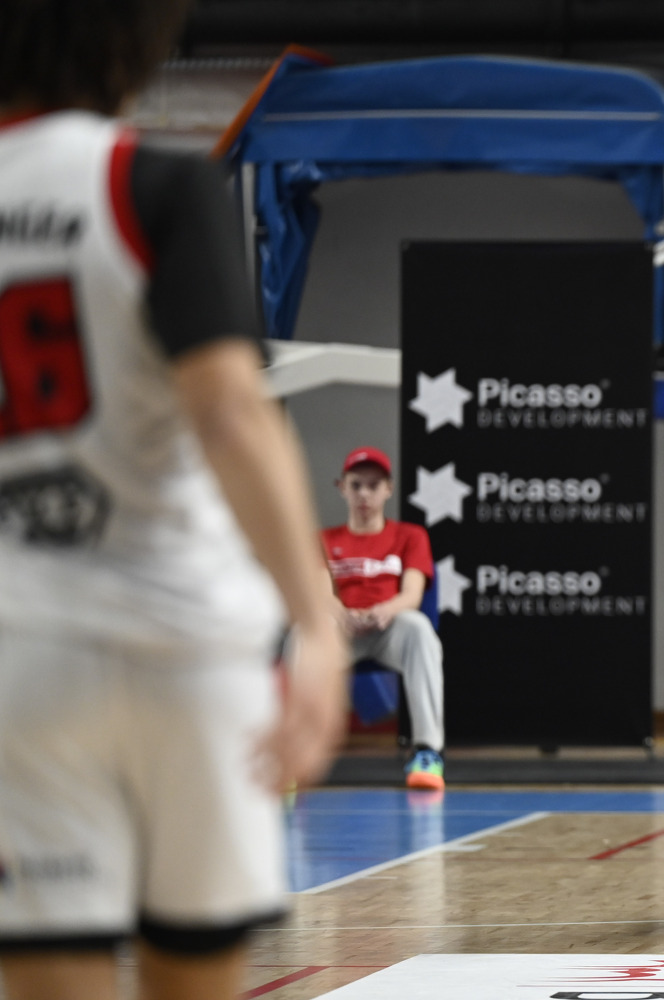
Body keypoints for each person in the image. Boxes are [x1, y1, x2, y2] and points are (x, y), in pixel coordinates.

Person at [0, 2, 351, 998]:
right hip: (187, 646)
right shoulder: (147, 184)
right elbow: (232, 415)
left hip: (26, 648)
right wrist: (314, 625)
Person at [322, 446, 446, 791]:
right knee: (306, 634)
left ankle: (427, 753)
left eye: (373, 485)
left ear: (388, 489)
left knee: (419, 628)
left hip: (389, 628)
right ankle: (291, 757)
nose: (364, 494)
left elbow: (412, 596)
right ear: (342, 488)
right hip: (342, 631)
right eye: (356, 485)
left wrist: (386, 610)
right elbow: (319, 595)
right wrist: (342, 615)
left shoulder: (411, 536)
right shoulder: (324, 540)